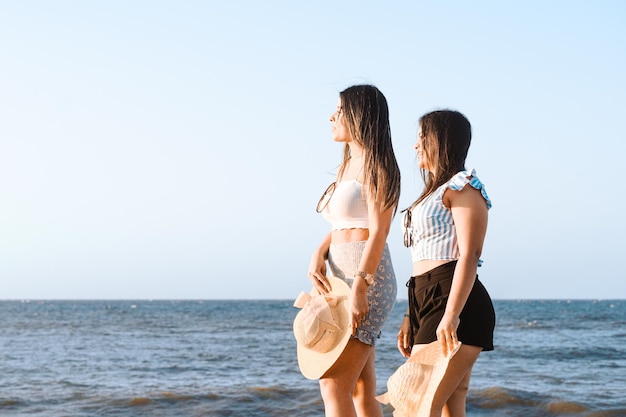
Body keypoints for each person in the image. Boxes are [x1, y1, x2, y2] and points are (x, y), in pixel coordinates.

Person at [307, 84, 401, 417]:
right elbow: (341, 224)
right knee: (361, 390)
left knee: (333, 384)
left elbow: (379, 230)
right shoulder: (346, 165)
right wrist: (319, 252)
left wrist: (361, 284)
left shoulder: (379, 165)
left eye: (339, 110)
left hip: (366, 279)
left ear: (359, 116)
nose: (331, 116)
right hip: (340, 278)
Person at [397, 109, 496, 417]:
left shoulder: (463, 186)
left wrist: (451, 314)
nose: (415, 146)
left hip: (454, 300)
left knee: (420, 404)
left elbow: (469, 254)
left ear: (441, 140)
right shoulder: (432, 193)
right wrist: (408, 315)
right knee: (450, 406)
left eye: (421, 137)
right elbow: (423, 259)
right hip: (426, 296)